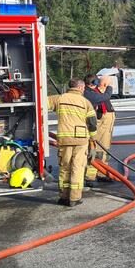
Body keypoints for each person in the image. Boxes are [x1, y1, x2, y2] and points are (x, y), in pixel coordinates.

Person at [48, 78, 97, 207]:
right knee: (78, 168)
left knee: (65, 168)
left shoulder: (59, 98)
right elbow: (92, 123)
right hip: (81, 140)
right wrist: (93, 139)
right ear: (80, 88)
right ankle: (74, 198)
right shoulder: (86, 102)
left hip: (64, 139)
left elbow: (42, 105)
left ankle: (63, 197)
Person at [83, 73, 115, 186]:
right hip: (99, 124)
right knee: (95, 149)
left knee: (104, 149)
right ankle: (90, 176)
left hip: (105, 125)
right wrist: (109, 86)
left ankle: (101, 173)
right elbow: (105, 97)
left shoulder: (94, 91)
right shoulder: (90, 94)